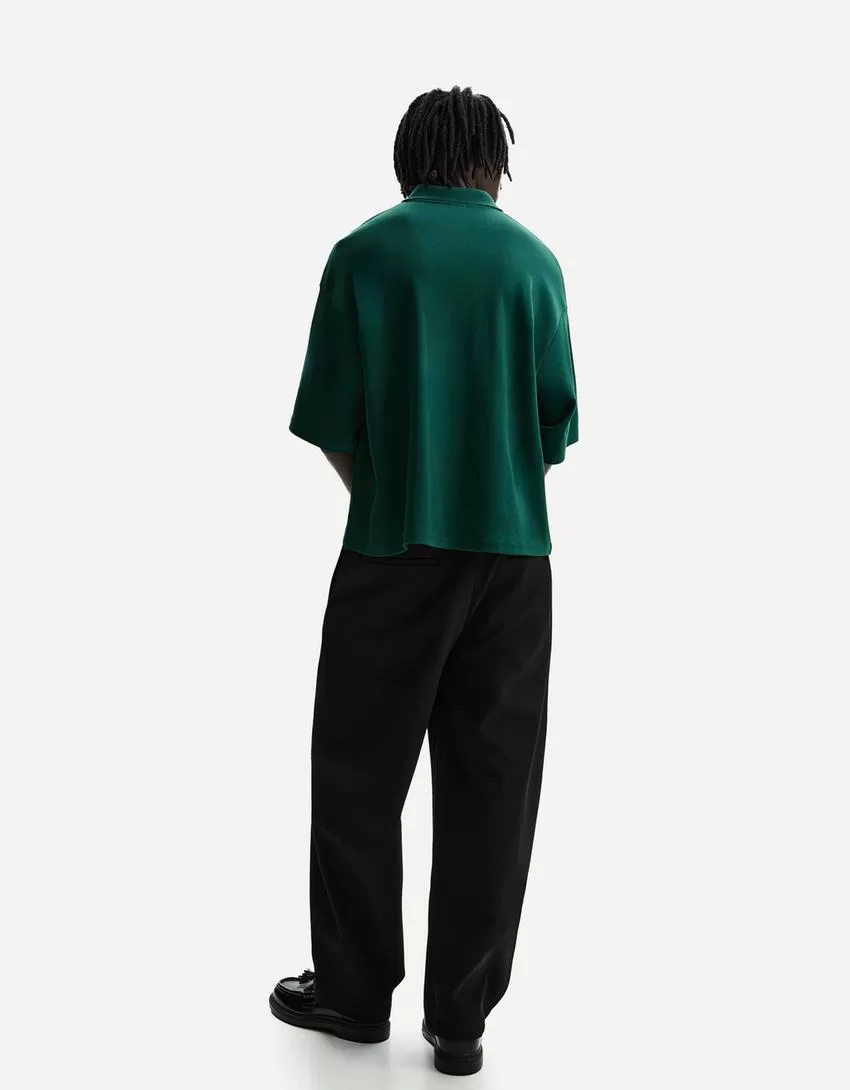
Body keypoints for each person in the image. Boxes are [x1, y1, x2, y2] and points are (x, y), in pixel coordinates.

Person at [268, 84, 579, 1077]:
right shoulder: (534, 263)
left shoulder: (364, 253)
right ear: (493, 162)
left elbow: (330, 418)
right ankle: (460, 1021)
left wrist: (393, 494)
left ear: (408, 158)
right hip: (514, 560)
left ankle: (355, 994)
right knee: (494, 785)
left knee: (357, 774)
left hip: (392, 547)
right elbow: (551, 428)